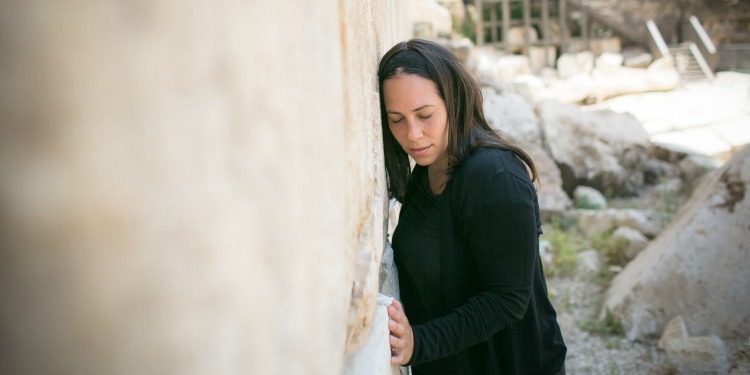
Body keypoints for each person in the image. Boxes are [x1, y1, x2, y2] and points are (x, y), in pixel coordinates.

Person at [378, 38, 567, 375]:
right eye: (396, 119)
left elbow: (507, 300)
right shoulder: (426, 171)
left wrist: (419, 342)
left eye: (424, 115)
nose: (413, 134)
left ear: (454, 101)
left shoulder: (497, 179)